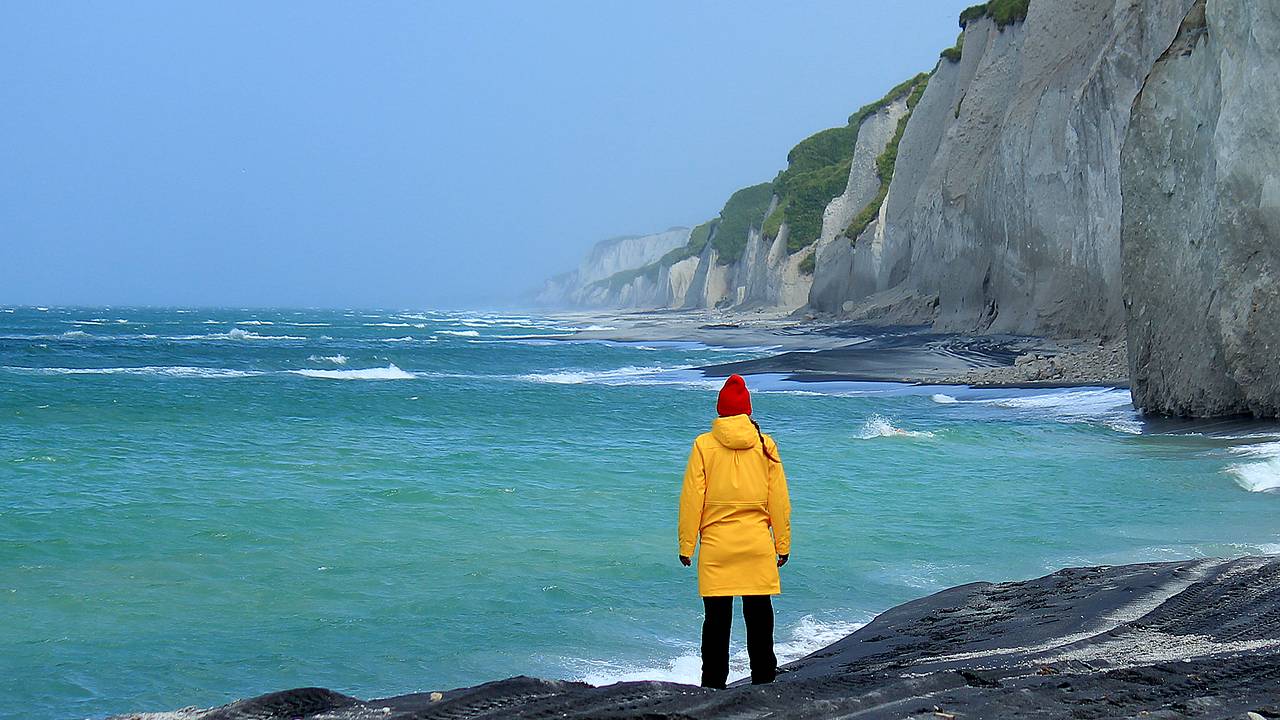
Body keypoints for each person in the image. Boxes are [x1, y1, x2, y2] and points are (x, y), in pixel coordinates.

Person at [678, 373, 791, 689]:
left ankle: (713, 687)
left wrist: (687, 545)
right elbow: (779, 500)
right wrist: (782, 543)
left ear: (720, 411)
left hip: (717, 548)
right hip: (756, 545)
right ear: (747, 412)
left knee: (716, 623)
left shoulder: (703, 445)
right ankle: (764, 682)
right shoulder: (766, 445)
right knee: (759, 619)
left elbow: (691, 499)